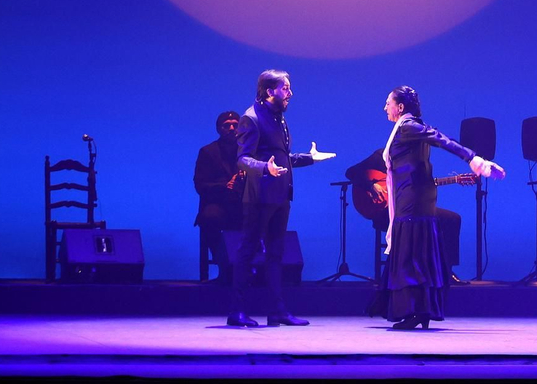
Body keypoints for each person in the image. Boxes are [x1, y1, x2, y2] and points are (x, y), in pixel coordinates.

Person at [368, 86, 504, 330]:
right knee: (416, 252)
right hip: (410, 197)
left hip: (413, 200)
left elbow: (441, 139)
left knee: (414, 254)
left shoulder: (409, 126)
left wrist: (474, 160)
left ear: (400, 107)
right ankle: (420, 310)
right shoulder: (404, 127)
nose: (384, 107)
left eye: (388, 102)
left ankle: (417, 310)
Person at [227, 70, 335, 328]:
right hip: (258, 198)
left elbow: (281, 156)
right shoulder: (250, 118)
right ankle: (237, 312)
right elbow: (243, 159)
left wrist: (310, 158)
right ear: (269, 91)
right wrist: (266, 168)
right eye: (285, 88)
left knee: (276, 254)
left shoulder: (278, 118)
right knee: (247, 252)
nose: (290, 93)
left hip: (280, 196)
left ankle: (277, 311)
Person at [345, 148, 464, 281]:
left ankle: (446, 271)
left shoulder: (418, 161)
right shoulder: (384, 155)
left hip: (409, 209)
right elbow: (351, 172)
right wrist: (371, 186)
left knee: (452, 219)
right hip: (384, 213)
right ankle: (407, 275)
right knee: (416, 223)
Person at [194, 110, 243, 282]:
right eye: (226, 125)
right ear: (218, 129)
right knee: (210, 217)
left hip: (242, 203)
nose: (231, 128)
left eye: (235, 125)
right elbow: (200, 185)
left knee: (263, 216)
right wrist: (225, 186)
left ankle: (253, 269)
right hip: (219, 203)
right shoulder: (207, 151)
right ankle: (224, 265)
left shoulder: (248, 151)